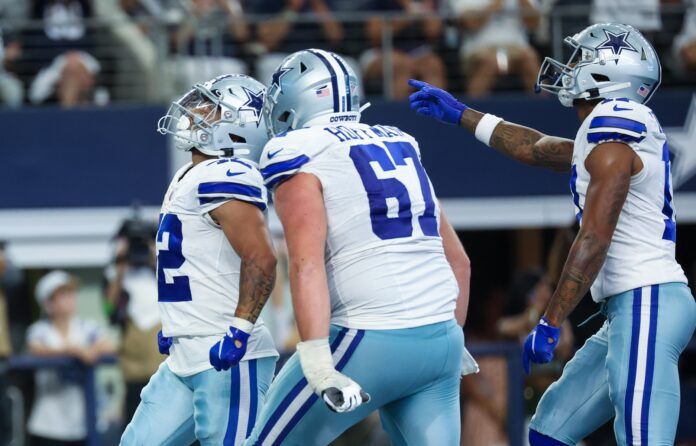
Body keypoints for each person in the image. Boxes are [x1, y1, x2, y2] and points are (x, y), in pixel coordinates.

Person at [409, 22, 696, 445]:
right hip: (629, 307)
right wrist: (462, 115)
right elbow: (539, 148)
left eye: (582, 58)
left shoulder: (614, 126)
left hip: (648, 299)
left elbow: (594, 237)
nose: (570, 66)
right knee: (549, 431)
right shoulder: (610, 127)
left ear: (609, 74)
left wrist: (549, 319)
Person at [245, 48, 478, 446]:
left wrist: (317, 362)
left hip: (368, 338)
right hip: (442, 339)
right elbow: (460, 262)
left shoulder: (299, 149)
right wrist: (442, 340)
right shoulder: (400, 141)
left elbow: (305, 264)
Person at [120, 74, 279, 446]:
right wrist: (179, 323)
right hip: (184, 355)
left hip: (225, 353)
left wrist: (238, 331)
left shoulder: (229, 173)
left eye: (211, 107)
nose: (195, 113)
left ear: (240, 127)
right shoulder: (188, 173)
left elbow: (261, 258)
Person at [26, 270, 115, 446]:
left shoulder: (86, 327)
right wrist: (73, 350)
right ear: (48, 303)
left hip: (82, 423)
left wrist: (92, 350)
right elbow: (35, 348)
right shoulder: (39, 330)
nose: (71, 298)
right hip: (48, 424)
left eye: (71, 294)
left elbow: (109, 346)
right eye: (63, 295)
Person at [103, 218, 164, 428]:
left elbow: (178, 296)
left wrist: (156, 255)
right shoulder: (115, 277)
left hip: (166, 367)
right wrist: (120, 264)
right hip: (134, 372)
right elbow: (109, 311)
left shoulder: (161, 271)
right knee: (136, 430)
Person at [446, 0, 540, 97]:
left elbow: (534, 23)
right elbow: (471, 23)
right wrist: (494, 5)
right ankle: (473, 108)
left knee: (530, 58)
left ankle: (544, 109)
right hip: (479, 48)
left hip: (516, 47)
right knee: (491, 62)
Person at [362, 0, 447, 99]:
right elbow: (375, 36)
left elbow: (434, 32)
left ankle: (435, 112)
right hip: (379, 52)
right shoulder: (379, 3)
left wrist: (426, 12)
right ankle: (400, 112)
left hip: (417, 53)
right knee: (401, 65)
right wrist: (406, 17)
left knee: (433, 65)